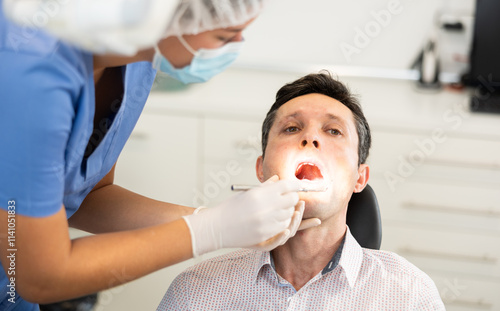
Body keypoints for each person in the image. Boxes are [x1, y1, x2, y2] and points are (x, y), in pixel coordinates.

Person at [0, 1, 319, 310]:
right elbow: (39, 276)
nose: (236, 45)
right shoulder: (30, 73)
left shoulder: (141, 56)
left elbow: (89, 196)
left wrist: (208, 217)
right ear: (160, 14)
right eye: (223, 36)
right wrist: (211, 230)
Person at [159, 72, 446, 310]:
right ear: (261, 169)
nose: (310, 138)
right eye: (292, 128)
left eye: (333, 131)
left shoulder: (410, 295)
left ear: (360, 177)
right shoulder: (195, 292)